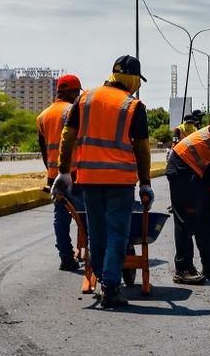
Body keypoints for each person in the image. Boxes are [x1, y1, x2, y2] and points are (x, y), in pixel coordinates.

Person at [53, 56, 153, 309]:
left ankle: (101, 276)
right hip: (119, 181)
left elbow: (68, 135)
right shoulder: (133, 106)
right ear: (130, 77)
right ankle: (110, 286)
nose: (136, 86)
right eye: (137, 81)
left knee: (95, 234)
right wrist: (145, 183)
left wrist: (64, 172)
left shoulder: (84, 98)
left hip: (89, 179)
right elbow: (142, 149)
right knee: (117, 235)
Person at [166, 119, 210, 284]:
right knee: (187, 219)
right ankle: (183, 269)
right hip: (184, 165)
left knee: (206, 219)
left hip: (201, 173)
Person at [37, 74, 84, 271]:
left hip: (55, 175)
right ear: (73, 92)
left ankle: (66, 256)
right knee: (86, 216)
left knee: (61, 215)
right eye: (77, 93)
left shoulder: (43, 116)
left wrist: (51, 172)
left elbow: (43, 149)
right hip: (74, 173)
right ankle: (94, 258)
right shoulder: (73, 111)